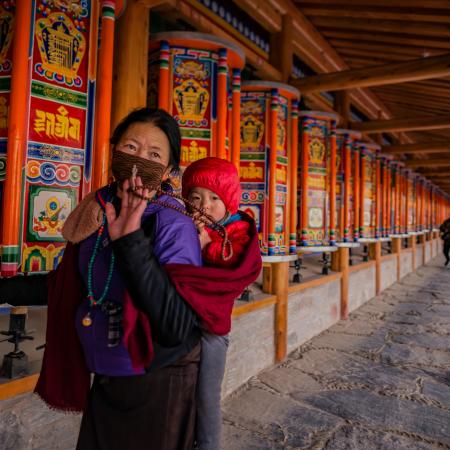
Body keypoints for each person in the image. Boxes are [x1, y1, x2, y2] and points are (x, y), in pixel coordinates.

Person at [0, 108, 204, 450]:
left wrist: (131, 239)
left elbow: (176, 324)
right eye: (131, 147)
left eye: (154, 155)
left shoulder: (173, 224)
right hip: (106, 372)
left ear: (168, 170)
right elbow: (68, 286)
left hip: (156, 379)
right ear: (113, 151)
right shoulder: (97, 208)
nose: (140, 160)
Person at [181, 157, 260, 450]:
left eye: (215, 197)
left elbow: (236, 261)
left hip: (213, 327)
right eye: (196, 197)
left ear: (230, 201)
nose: (205, 204)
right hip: (182, 318)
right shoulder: (182, 222)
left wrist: (206, 245)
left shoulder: (237, 228)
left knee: (206, 395)